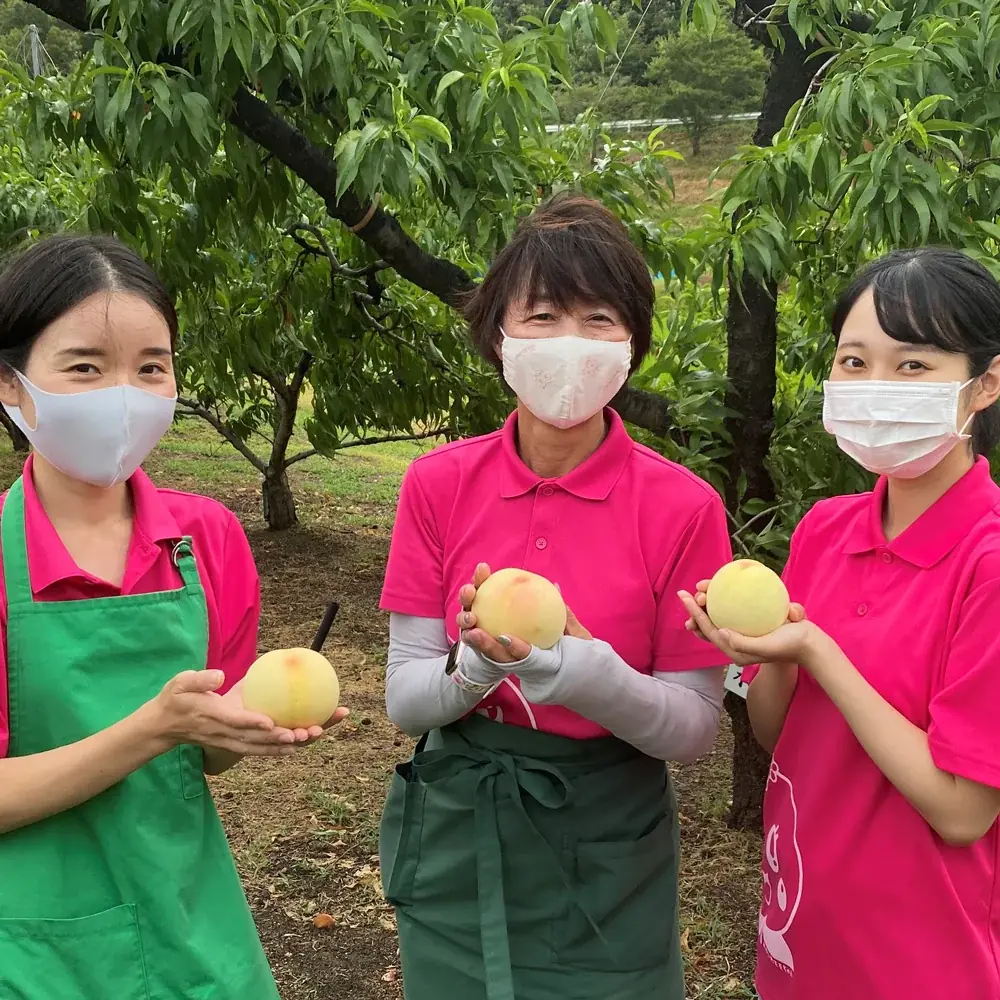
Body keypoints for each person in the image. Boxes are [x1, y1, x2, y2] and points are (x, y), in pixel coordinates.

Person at [377, 193, 733, 1000]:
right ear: (498, 331)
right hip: (462, 827)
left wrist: (578, 671)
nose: (568, 343)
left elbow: (692, 729)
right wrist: (474, 669)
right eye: (541, 315)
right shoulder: (438, 485)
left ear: (633, 341)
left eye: (598, 318)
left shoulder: (683, 507)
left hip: (608, 836)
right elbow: (405, 698)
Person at [0, 233, 348, 999]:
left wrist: (242, 726)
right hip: (37, 946)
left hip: (193, 922)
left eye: (151, 367)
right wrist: (153, 727)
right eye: (86, 366)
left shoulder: (208, 540)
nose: (124, 393)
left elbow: (201, 757)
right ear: (14, 387)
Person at [680, 248, 1000, 1000]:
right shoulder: (826, 529)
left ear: (985, 383)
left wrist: (818, 651)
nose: (876, 388)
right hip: (800, 936)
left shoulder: (987, 563)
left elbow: (963, 811)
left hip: (920, 963)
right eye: (855, 362)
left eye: (913, 366)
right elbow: (773, 732)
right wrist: (772, 655)